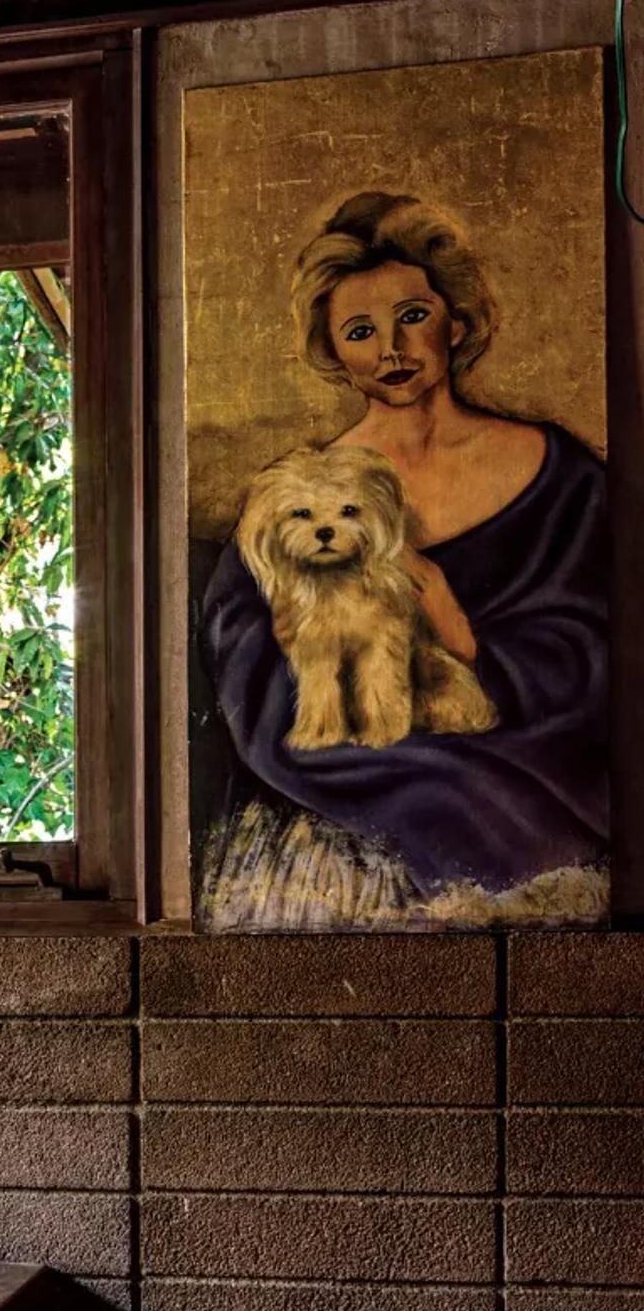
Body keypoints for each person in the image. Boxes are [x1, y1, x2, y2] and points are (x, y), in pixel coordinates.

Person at [200, 190, 608, 928]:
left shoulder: (562, 476)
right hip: (349, 757)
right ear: (335, 353)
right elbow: (248, 666)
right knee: (443, 792)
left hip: (533, 751)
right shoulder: (300, 493)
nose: (390, 348)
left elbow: (605, 643)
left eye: (412, 317)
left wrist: (465, 639)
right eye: (360, 331)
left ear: (458, 321)